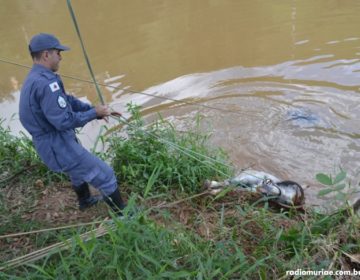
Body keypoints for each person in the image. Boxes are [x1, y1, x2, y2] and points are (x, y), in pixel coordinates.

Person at [19, 33, 126, 216]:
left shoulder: (37, 77)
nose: (60, 57)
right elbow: (64, 121)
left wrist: (95, 110)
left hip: (54, 138)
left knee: (77, 170)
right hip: (55, 143)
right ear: (46, 55)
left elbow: (66, 101)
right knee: (105, 174)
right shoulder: (46, 84)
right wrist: (94, 113)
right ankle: (125, 216)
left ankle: (85, 200)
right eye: (58, 52)